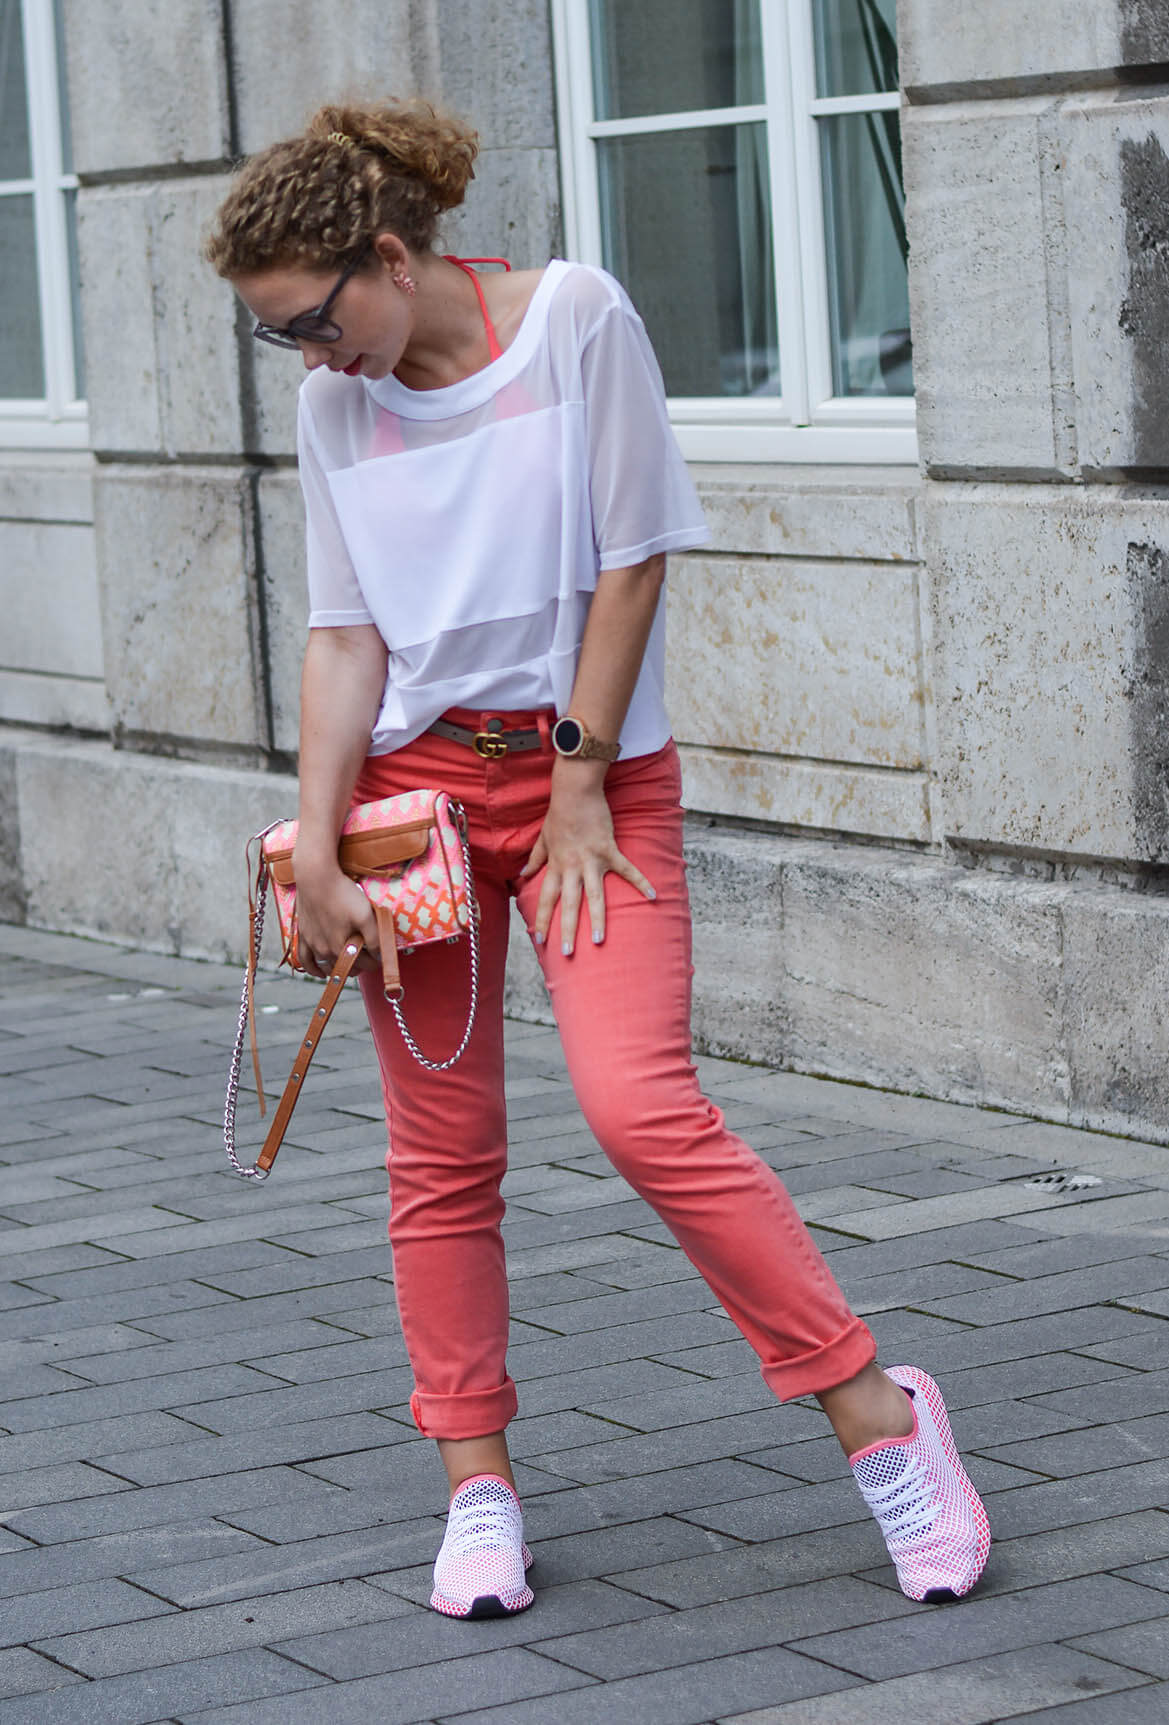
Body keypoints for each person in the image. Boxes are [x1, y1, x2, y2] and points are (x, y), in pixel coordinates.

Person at [206, 99, 989, 1621]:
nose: (306, 359)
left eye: (311, 320)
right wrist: (314, 848)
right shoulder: (334, 413)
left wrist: (576, 780)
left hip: (591, 775)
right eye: (274, 338)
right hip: (419, 803)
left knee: (643, 1108)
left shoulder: (573, 320)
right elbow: (344, 632)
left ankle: (885, 1424)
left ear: (386, 256)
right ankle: (477, 1485)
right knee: (441, 1154)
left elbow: (633, 557)